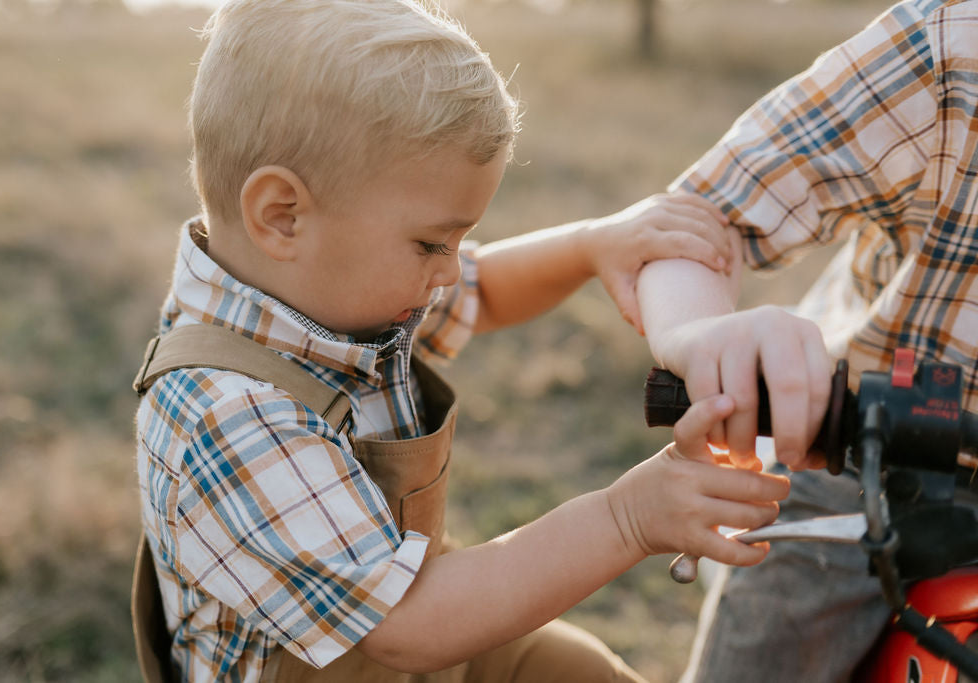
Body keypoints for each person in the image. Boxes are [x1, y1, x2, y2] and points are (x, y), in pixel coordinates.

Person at [130, 0, 792, 681]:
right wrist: (627, 518)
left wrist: (593, 245)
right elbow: (407, 628)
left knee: (578, 669)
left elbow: (487, 288)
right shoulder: (230, 415)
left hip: (425, 622)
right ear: (282, 216)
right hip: (397, 629)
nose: (448, 270)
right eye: (431, 243)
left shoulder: (319, 287)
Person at [634, 0, 978, 680]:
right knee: (774, 640)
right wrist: (699, 334)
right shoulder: (950, 50)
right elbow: (697, 215)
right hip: (876, 459)